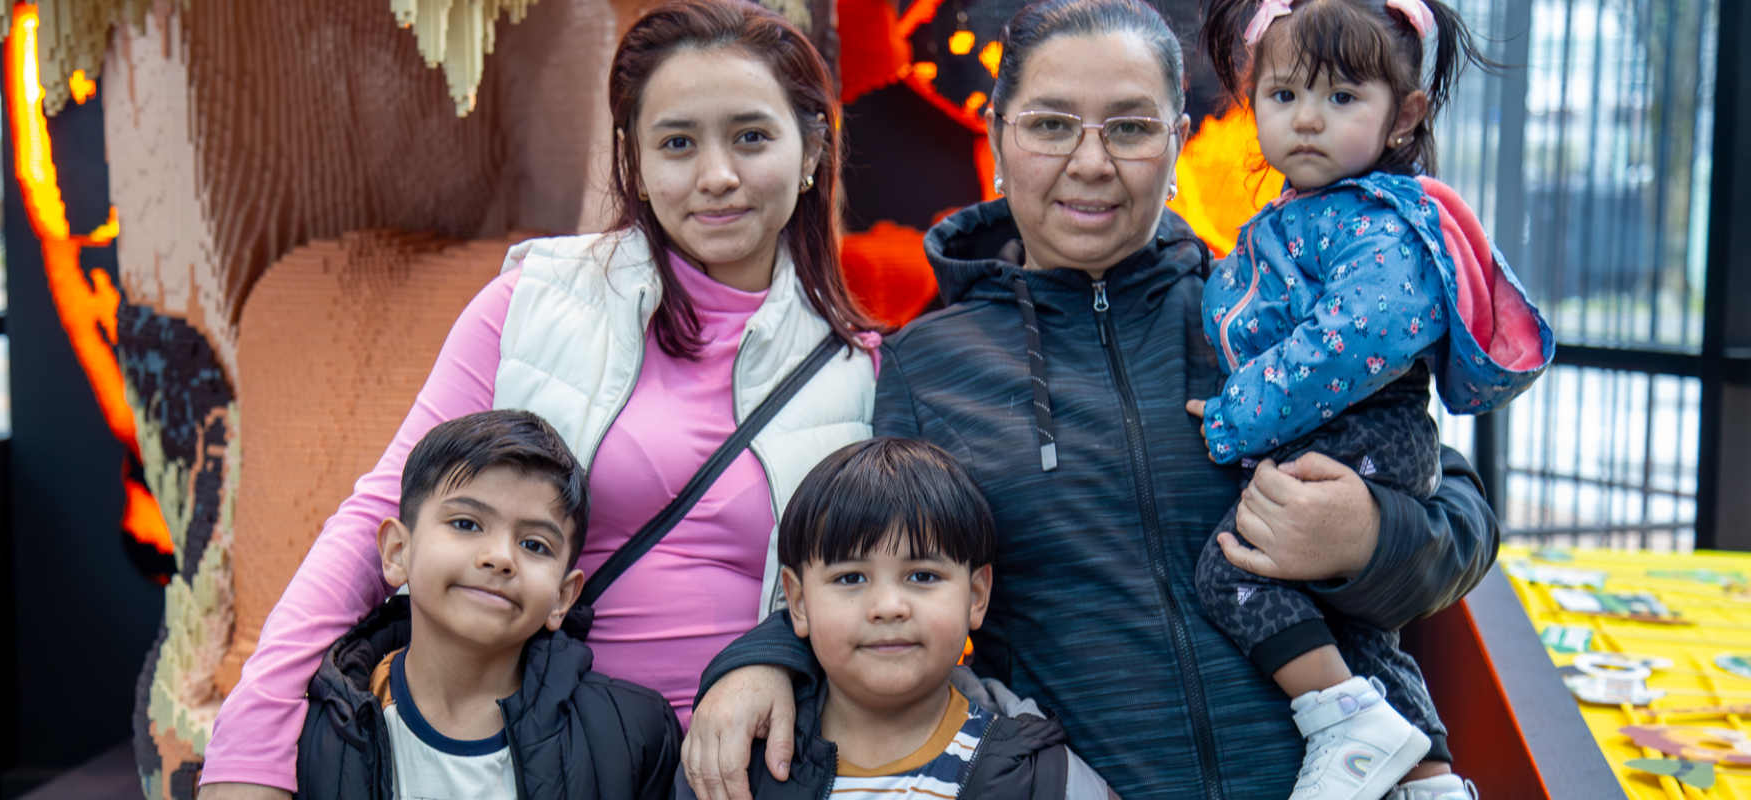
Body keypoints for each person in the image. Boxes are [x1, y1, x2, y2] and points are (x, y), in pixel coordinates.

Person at [680, 1, 1502, 799]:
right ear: (1000, 138)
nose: (1091, 162)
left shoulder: (1262, 315)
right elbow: (859, 562)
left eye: (1132, 127)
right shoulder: (927, 365)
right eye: (1049, 125)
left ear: (1178, 143)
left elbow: (1458, 520)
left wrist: (1367, 536)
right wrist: (764, 662)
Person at [198, 1, 881, 796]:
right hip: (534, 758)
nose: (716, 176)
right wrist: (252, 751)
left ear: (812, 149)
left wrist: (773, 653)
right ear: (633, 159)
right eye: (677, 143)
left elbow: (872, 585)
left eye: (752, 137)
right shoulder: (531, 305)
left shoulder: (858, 370)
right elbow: (377, 520)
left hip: (739, 771)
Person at [1190, 0, 1551, 798]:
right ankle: (1428, 776)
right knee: (1357, 629)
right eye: (1285, 97)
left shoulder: (1378, 219)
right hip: (1349, 435)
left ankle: (1344, 724)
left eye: (1342, 98)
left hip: (1364, 435)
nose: (1308, 120)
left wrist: (1233, 413)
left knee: (1230, 571)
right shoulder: (1303, 217)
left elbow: (1351, 342)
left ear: (1404, 115)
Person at [676, 437, 1112, 800]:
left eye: (922, 575)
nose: (888, 605)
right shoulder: (736, 762)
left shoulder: (1044, 778)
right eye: (850, 577)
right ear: (799, 602)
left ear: (977, 596)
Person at [295, 411, 679, 799]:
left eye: (534, 545)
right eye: (466, 523)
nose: (499, 557)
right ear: (398, 551)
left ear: (561, 598)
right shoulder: (308, 731)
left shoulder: (633, 738)